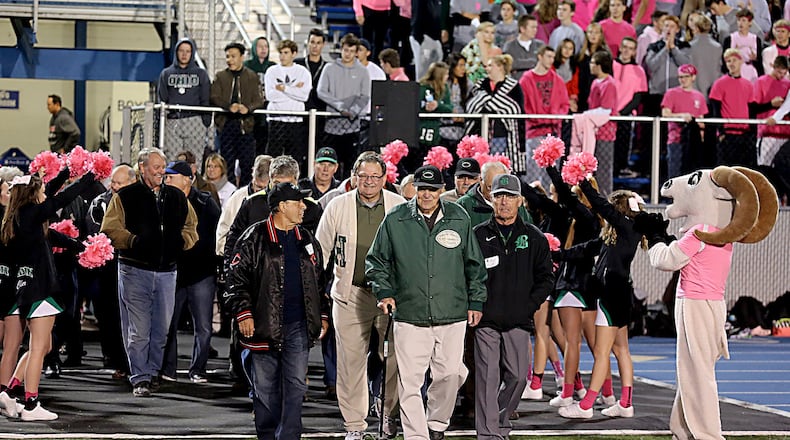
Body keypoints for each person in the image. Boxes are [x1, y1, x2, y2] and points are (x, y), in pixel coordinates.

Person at [365, 165, 488, 440]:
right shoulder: (396, 219)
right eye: (422, 189)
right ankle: (417, 436)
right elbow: (376, 261)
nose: (427, 194)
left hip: (452, 312)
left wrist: (476, 301)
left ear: (442, 191)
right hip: (409, 313)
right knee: (409, 382)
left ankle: (436, 424)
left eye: (432, 189)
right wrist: (384, 292)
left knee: (451, 374)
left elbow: (474, 264)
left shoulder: (459, 216)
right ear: (415, 190)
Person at [224, 181, 329, 440]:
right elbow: (235, 279)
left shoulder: (307, 239)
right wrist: (243, 312)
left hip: (298, 326)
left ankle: (289, 437)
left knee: (295, 386)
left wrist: (323, 314)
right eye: (298, 202)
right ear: (282, 206)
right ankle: (267, 435)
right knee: (266, 389)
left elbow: (319, 282)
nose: (304, 207)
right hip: (262, 325)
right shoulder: (253, 237)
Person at [315, 152, 407, 440]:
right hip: (349, 294)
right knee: (350, 361)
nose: (368, 182)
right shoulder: (337, 206)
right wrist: (319, 297)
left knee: (396, 358)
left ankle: (387, 412)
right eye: (363, 176)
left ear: (384, 179)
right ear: (354, 177)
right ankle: (354, 425)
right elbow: (321, 253)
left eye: (375, 176)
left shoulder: (400, 206)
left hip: (390, 295)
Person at [101, 147, 198, 397]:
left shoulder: (177, 197)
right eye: (155, 166)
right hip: (134, 271)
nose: (160, 171)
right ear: (141, 168)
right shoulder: (125, 197)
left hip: (168, 273)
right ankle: (140, 377)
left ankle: (153, 372)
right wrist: (134, 241)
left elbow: (191, 226)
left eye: (162, 166)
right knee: (138, 329)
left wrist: (182, 242)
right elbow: (110, 229)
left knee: (161, 329)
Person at [0, 167, 96, 421]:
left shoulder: (20, 215)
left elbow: (51, 197)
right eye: (40, 190)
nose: (45, 192)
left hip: (28, 287)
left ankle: (9, 391)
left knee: (43, 346)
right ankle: (31, 404)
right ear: (32, 195)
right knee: (38, 345)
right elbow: (59, 199)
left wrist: (64, 173)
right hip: (39, 288)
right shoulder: (31, 214)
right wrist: (88, 177)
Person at [473, 173, 555, 440]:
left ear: (520, 201)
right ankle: (489, 434)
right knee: (486, 379)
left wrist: (528, 306)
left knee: (519, 377)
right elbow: (467, 273)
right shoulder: (478, 235)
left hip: (519, 320)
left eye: (509, 196)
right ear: (491, 200)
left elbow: (546, 278)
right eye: (499, 196)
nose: (504, 202)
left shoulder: (534, 237)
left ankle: (500, 421)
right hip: (486, 319)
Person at [558, 181, 647, 419]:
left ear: (618, 210)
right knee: (621, 349)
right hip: (621, 293)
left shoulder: (627, 227)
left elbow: (599, 205)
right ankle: (625, 403)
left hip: (611, 295)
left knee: (601, 352)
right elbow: (587, 248)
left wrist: (584, 180)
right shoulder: (616, 235)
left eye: (611, 209)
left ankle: (585, 405)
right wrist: (559, 254)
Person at [161, 161, 221, 384]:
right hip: (174, 273)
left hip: (201, 273)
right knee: (169, 324)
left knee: (203, 326)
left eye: (171, 177)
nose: (167, 181)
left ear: (187, 179)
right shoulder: (163, 201)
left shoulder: (206, 203)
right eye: (166, 177)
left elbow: (216, 234)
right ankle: (169, 369)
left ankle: (198, 369)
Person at [85, 165, 138, 380]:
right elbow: (94, 232)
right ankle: (114, 357)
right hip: (106, 269)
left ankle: (129, 361)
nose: (114, 187)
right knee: (107, 314)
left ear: (132, 183)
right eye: (113, 182)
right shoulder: (99, 203)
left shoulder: (139, 202)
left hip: (133, 265)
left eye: (119, 183)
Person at [316, 33, 371, 178]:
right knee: (329, 165)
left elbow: (365, 96)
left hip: (352, 127)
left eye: (352, 51)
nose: (348, 54)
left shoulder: (363, 71)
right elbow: (321, 91)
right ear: (341, 49)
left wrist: (352, 111)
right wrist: (340, 107)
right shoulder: (329, 68)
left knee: (350, 166)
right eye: (346, 50)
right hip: (331, 126)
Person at [211, 42, 264, 188]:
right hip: (226, 125)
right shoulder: (220, 76)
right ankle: (228, 193)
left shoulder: (251, 76)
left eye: (233, 56)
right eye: (227, 57)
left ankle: (245, 193)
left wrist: (248, 108)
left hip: (245, 127)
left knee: (247, 163)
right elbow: (214, 96)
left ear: (242, 57)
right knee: (227, 162)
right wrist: (229, 107)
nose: (230, 60)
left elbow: (259, 99)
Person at [520, 45, 570, 189]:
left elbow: (564, 105)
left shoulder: (557, 79)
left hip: (553, 133)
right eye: (548, 56)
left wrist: (553, 119)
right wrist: (540, 118)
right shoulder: (526, 79)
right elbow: (524, 106)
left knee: (552, 174)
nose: (551, 60)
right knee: (533, 172)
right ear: (540, 56)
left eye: (553, 57)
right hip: (535, 131)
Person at [464, 55, 525, 171]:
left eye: (490, 65)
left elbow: (517, 110)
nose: (487, 69)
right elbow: (470, 105)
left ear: (500, 67)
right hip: (479, 136)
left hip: (501, 136)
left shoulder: (513, 86)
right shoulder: (480, 85)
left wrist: (489, 102)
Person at [156, 38, 211, 162]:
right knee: (172, 159)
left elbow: (205, 98)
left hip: (195, 121)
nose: (184, 54)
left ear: (192, 53)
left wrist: (205, 121)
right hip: (173, 120)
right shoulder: (166, 74)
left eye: (188, 51)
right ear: (176, 52)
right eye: (181, 51)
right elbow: (162, 98)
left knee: (194, 159)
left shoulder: (201, 74)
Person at [264, 39, 312, 174]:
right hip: (276, 119)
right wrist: (294, 89)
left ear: (294, 53)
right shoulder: (271, 71)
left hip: (295, 120)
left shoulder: (302, 72)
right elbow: (271, 96)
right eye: (280, 53)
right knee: (273, 157)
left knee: (294, 158)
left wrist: (284, 88)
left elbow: (304, 96)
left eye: (285, 52)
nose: (282, 56)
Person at [708, 49, 757, 167]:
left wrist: (752, 132)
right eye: (728, 61)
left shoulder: (748, 85)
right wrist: (721, 131)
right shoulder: (719, 84)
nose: (731, 63)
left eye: (734, 60)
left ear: (741, 62)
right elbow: (716, 109)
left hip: (744, 134)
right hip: (727, 133)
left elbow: (751, 109)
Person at [661, 64, 709, 177]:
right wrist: (681, 116)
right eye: (680, 77)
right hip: (676, 139)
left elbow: (701, 120)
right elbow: (665, 113)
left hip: (693, 142)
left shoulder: (699, 97)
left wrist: (701, 138)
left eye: (686, 76)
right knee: (675, 173)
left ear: (693, 77)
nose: (683, 80)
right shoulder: (671, 93)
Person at [586, 50, 618, 195]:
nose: (590, 65)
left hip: (604, 132)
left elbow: (606, 109)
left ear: (599, 65)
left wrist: (585, 115)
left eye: (592, 62)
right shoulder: (595, 83)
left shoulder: (609, 84)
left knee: (604, 168)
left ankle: (606, 197)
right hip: (592, 130)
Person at [416, 62, 453, 171]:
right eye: (446, 74)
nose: (447, 77)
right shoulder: (422, 87)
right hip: (420, 129)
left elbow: (449, 108)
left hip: (436, 130)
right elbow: (413, 105)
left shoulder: (445, 88)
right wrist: (424, 107)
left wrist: (438, 105)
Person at [753, 56, 790, 167]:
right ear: (773, 67)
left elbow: (787, 107)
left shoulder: (787, 84)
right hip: (767, 132)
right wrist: (771, 104)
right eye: (779, 72)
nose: (781, 75)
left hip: (785, 133)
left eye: (784, 73)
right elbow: (754, 107)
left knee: (782, 168)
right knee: (764, 167)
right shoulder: (761, 82)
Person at [440, 53, 473, 152]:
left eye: (464, 65)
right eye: (460, 65)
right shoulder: (443, 83)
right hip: (444, 129)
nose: (463, 69)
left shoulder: (468, 84)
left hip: (461, 129)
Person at [296, 29, 329, 124]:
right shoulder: (298, 64)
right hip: (300, 112)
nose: (315, 46)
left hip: (320, 113)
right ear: (308, 43)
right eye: (312, 42)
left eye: (318, 43)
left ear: (323, 45)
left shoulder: (327, 67)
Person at [688, 14, 722, 96]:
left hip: (695, 92)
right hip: (714, 91)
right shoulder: (718, 46)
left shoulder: (690, 47)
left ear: (696, 28)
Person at [503, 15, 546, 80]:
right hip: (517, 85)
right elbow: (510, 65)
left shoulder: (540, 45)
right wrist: (534, 62)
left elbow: (545, 63)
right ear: (522, 29)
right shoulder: (509, 46)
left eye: (536, 27)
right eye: (532, 27)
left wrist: (519, 65)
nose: (535, 30)